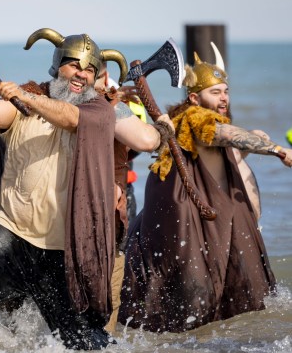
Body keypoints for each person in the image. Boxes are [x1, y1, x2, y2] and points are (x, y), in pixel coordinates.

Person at [0, 28, 170, 350]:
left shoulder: (99, 110)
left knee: (83, 342)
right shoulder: (23, 100)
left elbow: (140, 138)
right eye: (73, 65)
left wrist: (164, 126)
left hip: (63, 246)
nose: (80, 74)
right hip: (12, 225)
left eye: (88, 70)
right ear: (57, 66)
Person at [119, 50, 292, 333]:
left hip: (211, 226)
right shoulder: (195, 119)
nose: (224, 98)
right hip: (190, 229)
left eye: (226, 91)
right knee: (192, 308)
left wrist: (254, 141)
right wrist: (277, 150)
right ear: (195, 98)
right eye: (215, 92)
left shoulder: (197, 128)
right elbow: (222, 134)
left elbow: (221, 153)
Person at [93, 63, 174, 334]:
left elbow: (140, 144)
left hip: (120, 190)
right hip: (100, 189)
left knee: (120, 252)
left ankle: (116, 310)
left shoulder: (126, 105)